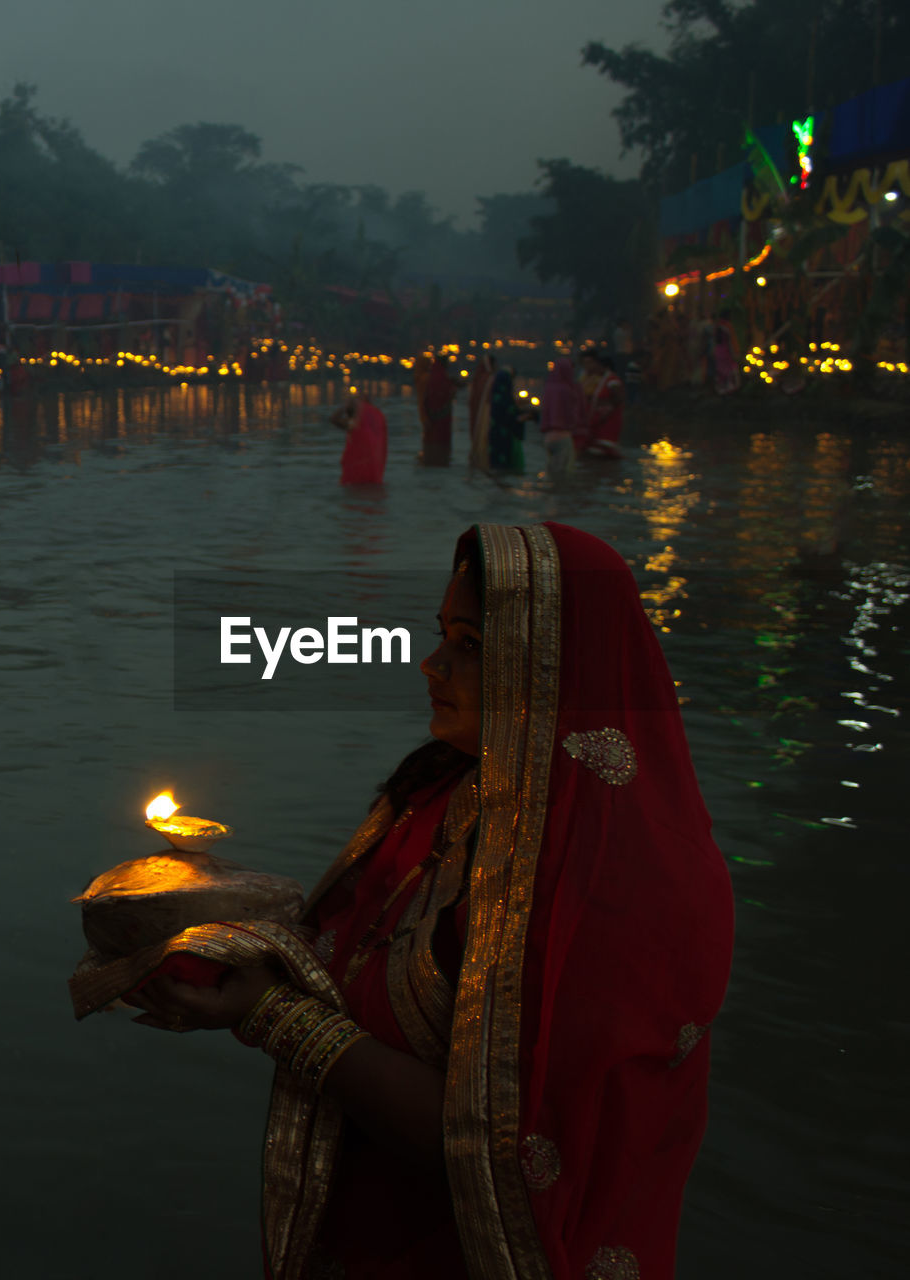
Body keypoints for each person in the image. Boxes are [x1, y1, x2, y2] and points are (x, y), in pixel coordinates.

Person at [118, 522, 734, 1278]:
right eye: (441, 634)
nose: (430, 664)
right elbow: (366, 944)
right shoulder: (453, 790)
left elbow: (502, 1156)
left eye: (470, 645)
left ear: (554, 665)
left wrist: (268, 1013)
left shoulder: (624, 880)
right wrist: (219, 932)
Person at [538, 358, 584, 478]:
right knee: (563, 475)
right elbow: (573, 414)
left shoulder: (548, 388)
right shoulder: (567, 390)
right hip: (563, 436)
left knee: (552, 471)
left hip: (548, 437)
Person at [331, 390, 388, 485]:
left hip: (355, 480)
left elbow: (334, 419)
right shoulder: (376, 424)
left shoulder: (353, 425)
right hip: (373, 479)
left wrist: (345, 406)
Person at [485, 367, 535, 472]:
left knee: (497, 468)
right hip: (506, 439)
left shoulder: (495, 398)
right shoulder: (505, 399)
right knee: (506, 469)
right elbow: (510, 418)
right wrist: (526, 416)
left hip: (495, 438)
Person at [583, 353, 626, 460]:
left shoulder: (612, 380)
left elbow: (619, 398)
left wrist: (606, 411)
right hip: (598, 419)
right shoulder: (598, 379)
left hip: (609, 419)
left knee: (605, 449)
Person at [417, 354, 457, 466]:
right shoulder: (436, 379)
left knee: (431, 454)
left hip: (430, 423)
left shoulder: (430, 378)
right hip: (440, 424)